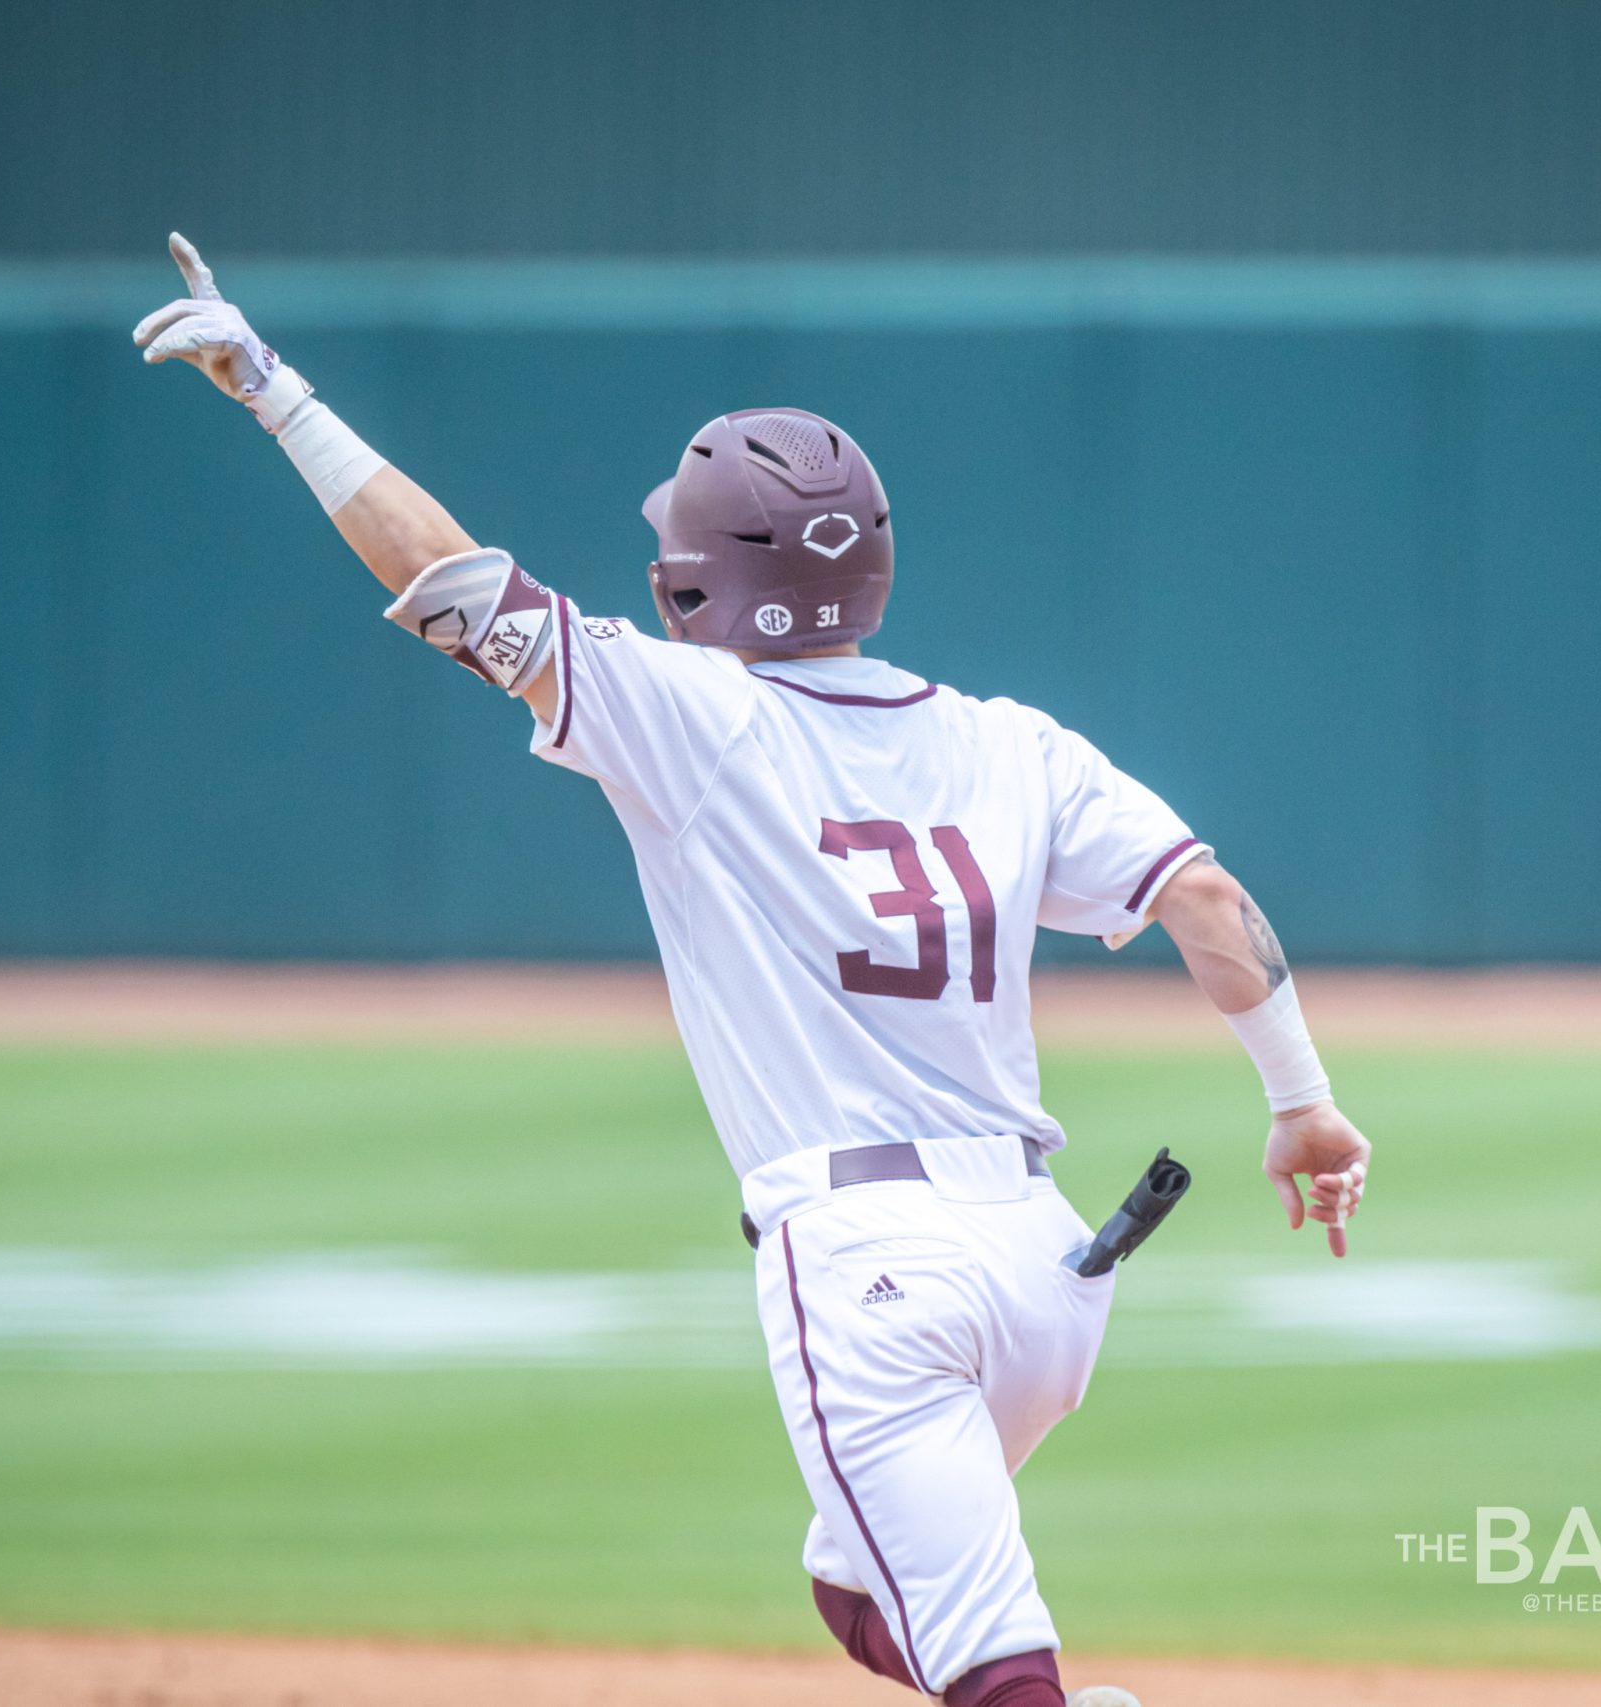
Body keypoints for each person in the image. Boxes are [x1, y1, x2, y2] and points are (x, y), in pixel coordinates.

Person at [137, 235, 1372, 1707]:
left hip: (863, 1263)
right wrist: (1303, 1104)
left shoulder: (689, 715)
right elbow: (1209, 898)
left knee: (995, 1668)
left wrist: (274, 390)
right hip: (1051, 1268)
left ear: (691, 583)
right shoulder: (1012, 741)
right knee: (854, 1589)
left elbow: (447, 577)